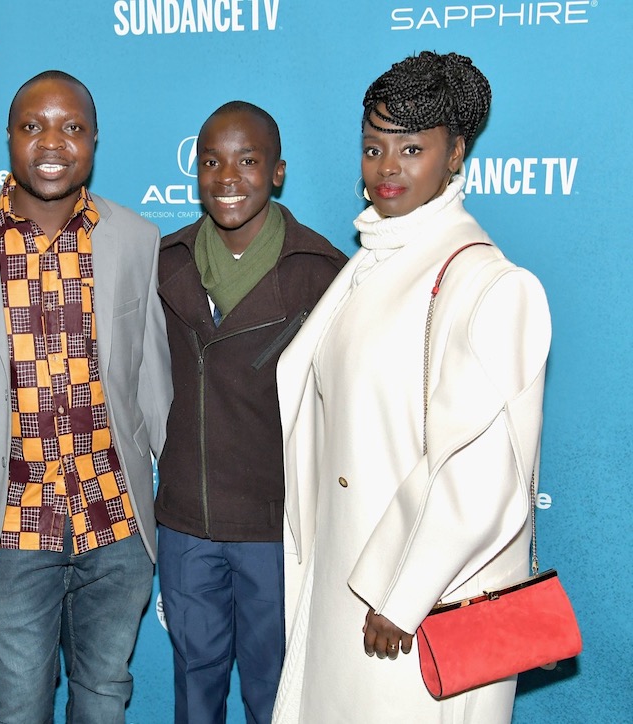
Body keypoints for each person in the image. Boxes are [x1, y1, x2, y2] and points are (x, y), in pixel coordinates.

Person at [273, 51, 553, 723]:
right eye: (374, 147)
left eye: (412, 148)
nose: (387, 167)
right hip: (343, 583)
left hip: (413, 605)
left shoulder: (489, 284)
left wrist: (403, 596)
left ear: (456, 154)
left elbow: (484, 474)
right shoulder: (373, 259)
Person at [0, 70, 172, 723]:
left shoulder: (136, 239)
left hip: (114, 520)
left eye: (71, 127)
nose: (52, 142)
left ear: (94, 140)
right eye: (33, 126)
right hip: (11, 525)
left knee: (103, 696)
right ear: (8, 137)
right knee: (15, 702)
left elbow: (152, 383)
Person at [155, 101, 345, 724]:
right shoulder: (165, 263)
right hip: (187, 520)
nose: (228, 177)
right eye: (211, 162)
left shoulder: (320, 274)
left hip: (275, 527)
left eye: (247, 161)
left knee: (274, 691)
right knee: (195, 685)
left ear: (278, 172)